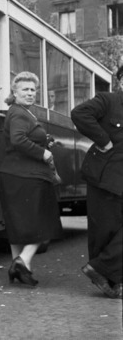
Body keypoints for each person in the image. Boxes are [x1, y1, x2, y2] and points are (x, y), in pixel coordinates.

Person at [0, 71, 63, 287]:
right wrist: (42, 153)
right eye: (25, 89)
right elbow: (17, 139)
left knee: (18, 228)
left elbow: (26, 136)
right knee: (45, 222)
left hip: (15, 175)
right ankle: (23, 261)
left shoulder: (23, 112)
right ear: (14, 93)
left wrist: (46, 140)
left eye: (33, 89)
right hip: (26, 176)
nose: (30, 93)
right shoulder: (19, 113)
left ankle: (21, 268)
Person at [71, 66, 123, 300]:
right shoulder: (108, 100)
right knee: (104, 230)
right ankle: (110, 280)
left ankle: (101, 270)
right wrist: (104, 141)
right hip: (103, 176)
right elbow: (80, 113)